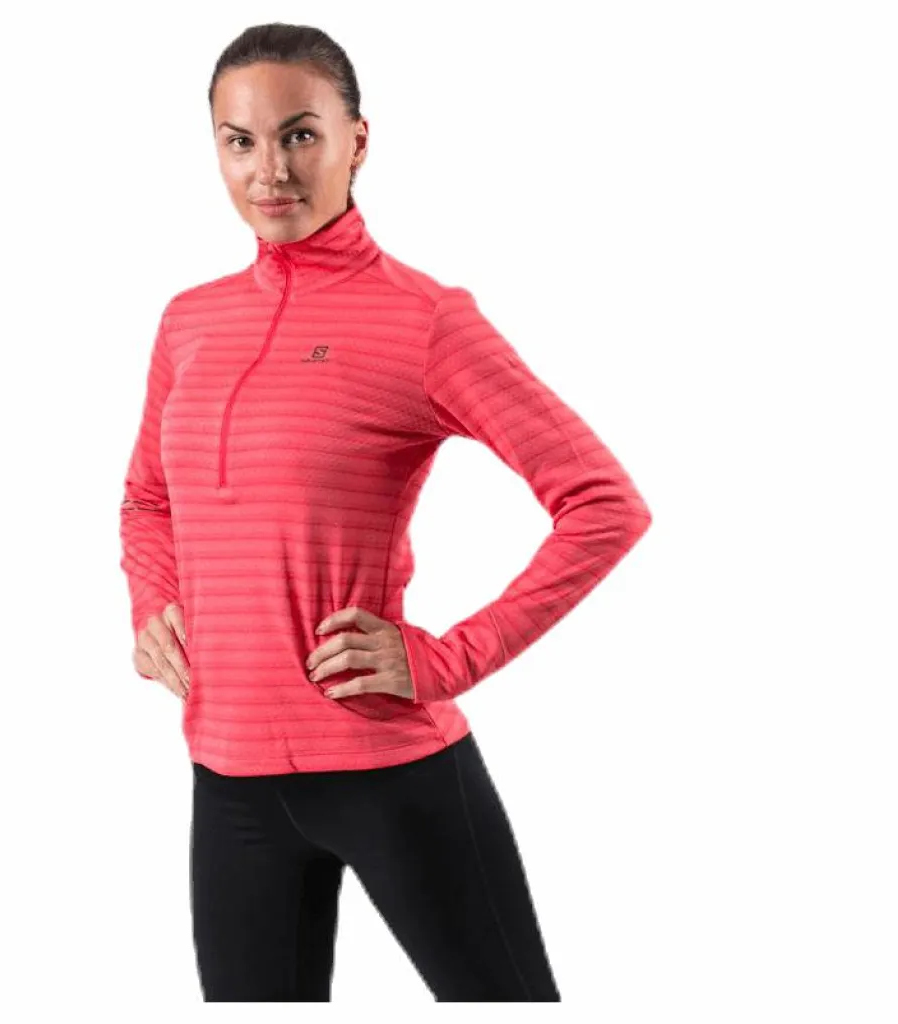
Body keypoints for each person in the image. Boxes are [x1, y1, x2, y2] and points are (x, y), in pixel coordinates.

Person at [118, 21, 652, 1003]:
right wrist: (153, 604)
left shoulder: (423, 318)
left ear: (356, 140)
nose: (270, 171)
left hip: (390, 772)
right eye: (240, 141)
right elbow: (148, 498)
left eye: (300, 134)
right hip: (228, 779)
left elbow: (603, 504)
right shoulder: (190, 320)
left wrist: (445, 660)